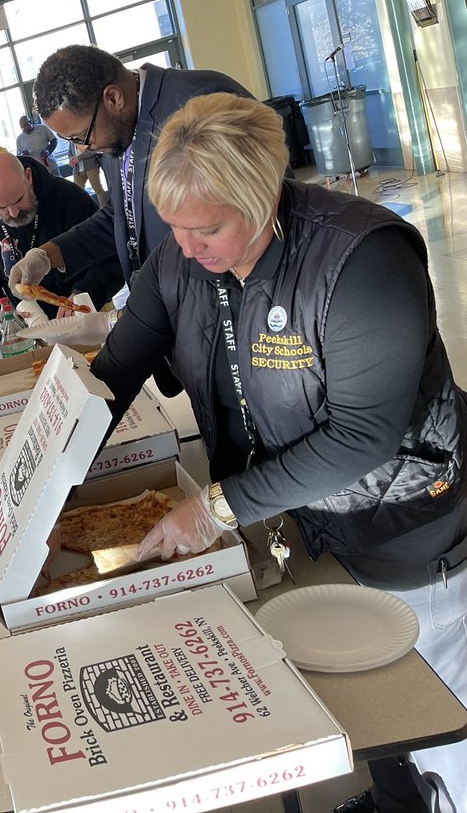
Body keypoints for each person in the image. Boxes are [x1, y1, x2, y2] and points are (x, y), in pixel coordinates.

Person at [80, 94, 466, 813]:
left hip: (407, 532)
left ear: (260, 197)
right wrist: (47, 472)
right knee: (374, 706)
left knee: (438, 719)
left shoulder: (361, 259)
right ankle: (394, 801)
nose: (188, 248)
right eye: (174, 228)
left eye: (208, 229)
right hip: (305, 525)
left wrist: (216, 508)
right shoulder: (181, 261)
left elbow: (365, 435)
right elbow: (115, 373)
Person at [9, 45, 255, 296]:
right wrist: (49, 255)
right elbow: (122, 214)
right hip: (166, 301)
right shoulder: (117, 129)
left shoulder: (201, 102)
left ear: (113, 98)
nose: (83, 147)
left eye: (81, 136)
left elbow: (254, 214)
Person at [0, 151, 123, 322]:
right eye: (2, 207)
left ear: (28, 176)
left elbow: (111, 257)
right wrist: (4, 314)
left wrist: (85, 294)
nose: (13, 212)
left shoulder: (70, 197)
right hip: (28, 323)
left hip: (89, 310)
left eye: (19, 199)